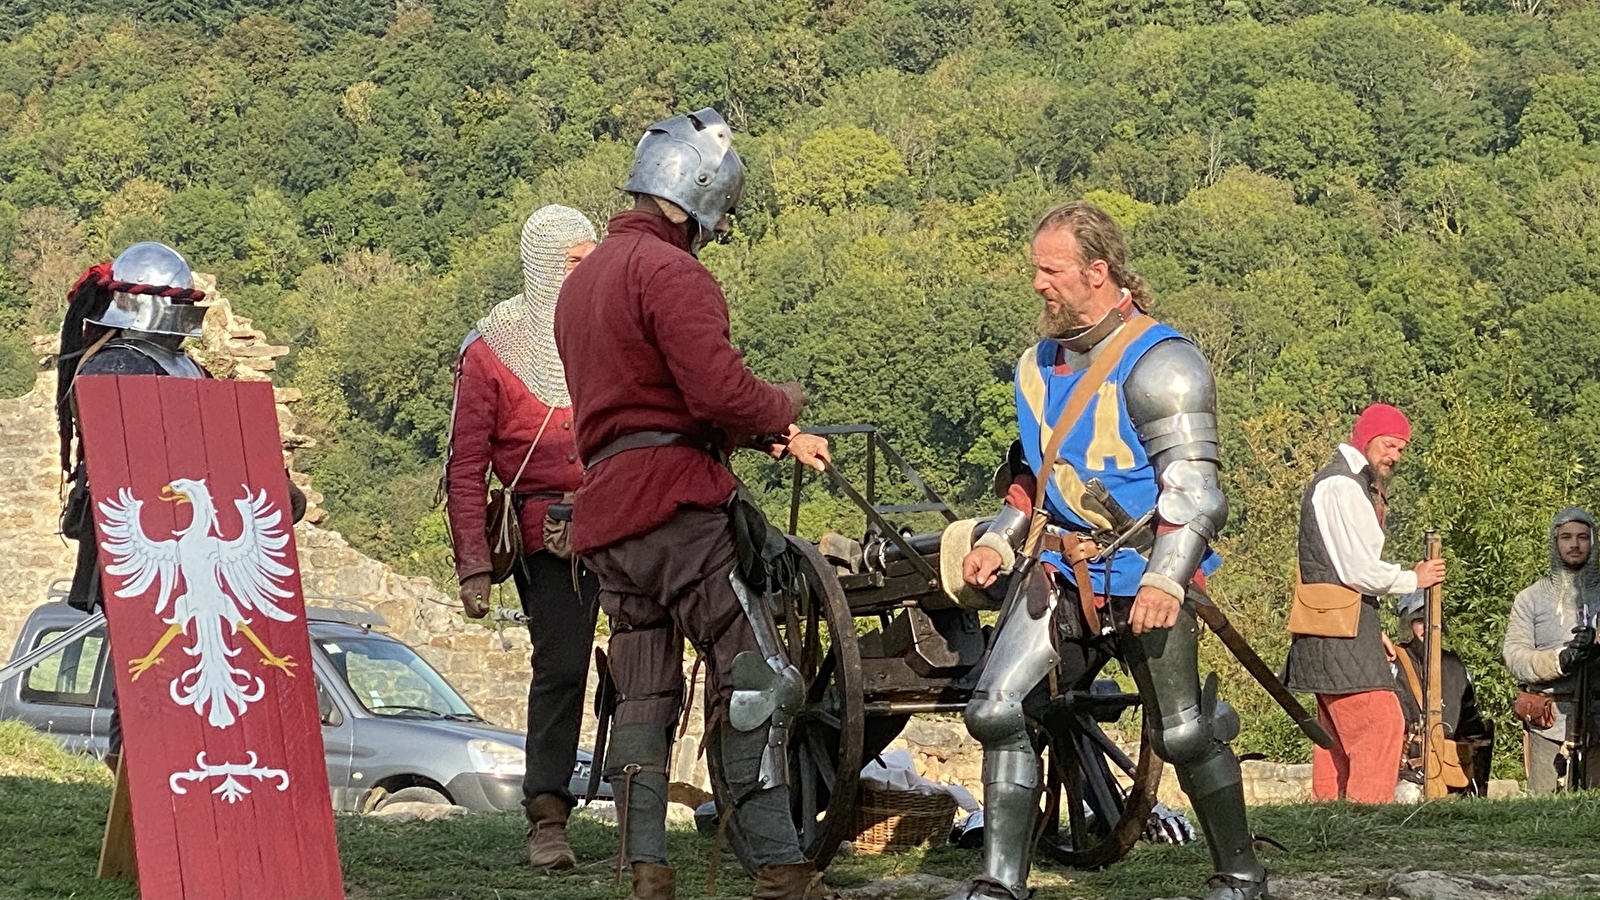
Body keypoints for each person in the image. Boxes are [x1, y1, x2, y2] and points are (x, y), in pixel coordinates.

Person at [553, 107, 831, 900]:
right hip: (677, 510)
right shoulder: (673, 275)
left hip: (609, 511)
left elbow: (645, 403)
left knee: (641, 685)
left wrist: (766, 435)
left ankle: (648, 870)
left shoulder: (583, 283)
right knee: (758, 675)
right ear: (700, 195)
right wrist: (780, 406)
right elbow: (715, 392)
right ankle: (780, 870)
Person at [953, 200, 1266, 900]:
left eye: (1051, 270)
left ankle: (1242, 875)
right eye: (1036, 268)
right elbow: (1035, 474)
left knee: (1182, 733)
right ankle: (1000, 883)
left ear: (1098, 271)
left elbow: (1194, 493)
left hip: (1143, 570)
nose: (1038, 283)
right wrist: (1001, 542)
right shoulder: (1034, 366)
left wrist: (1165, 581)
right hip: (1059, 567)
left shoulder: (1164, 363)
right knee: (996, 709)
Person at [55, 241, 307, 772]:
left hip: (198, 548)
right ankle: (135, 778)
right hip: (147, 542)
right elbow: (139, 462)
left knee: (171, 671)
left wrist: (265, 480)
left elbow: (216, 443)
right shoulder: (115, 366)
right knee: (148, 674)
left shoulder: (184, 365)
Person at [444, 205, 600, 868]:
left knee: (656, 658)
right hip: (550, 534)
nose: (590, 269)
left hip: (627, 511)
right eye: (575, 260)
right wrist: (474, 565)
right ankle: (547, 816)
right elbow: (466, 461)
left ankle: (648, 808)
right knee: (562, 668)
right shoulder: (492, 350)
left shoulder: (612, 332)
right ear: (544, 266)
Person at [1282, 404, 1445, 804]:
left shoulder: (1349, 482)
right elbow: (1356, 569)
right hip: (1336, 633)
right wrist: (1413, 578)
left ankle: (1331, 823)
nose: (1394, 456)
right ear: (1366, 438)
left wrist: (1375, 629)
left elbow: (1341, 573)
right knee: (1381, 722)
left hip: (1341, 626)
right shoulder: (1341, 485)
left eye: (1401, 449)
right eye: (1389, 444)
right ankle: (1366, 823)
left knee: (1334, 735)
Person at [1503, 507, 1600, 793]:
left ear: (1592, 543)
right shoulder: (1531, 599)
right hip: (1549, 720)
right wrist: (1561, 658)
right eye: (1566, 537)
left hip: (1597, 717)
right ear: (1555, 542)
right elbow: (1515, 657)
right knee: (1542, 813)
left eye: (1583, 537)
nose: (1574, 544)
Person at [1391, 592, 1493, 797]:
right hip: (1404, 774)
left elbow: (1470, 727)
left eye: (1434, 620)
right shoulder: (1392, 664)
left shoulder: (1456, 667)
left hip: (1451, 773)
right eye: (1421, 621)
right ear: (1408, 624)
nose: (1428, 627)